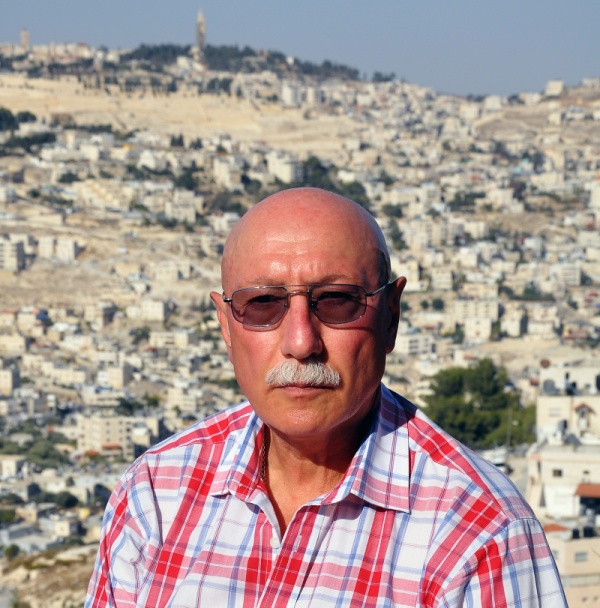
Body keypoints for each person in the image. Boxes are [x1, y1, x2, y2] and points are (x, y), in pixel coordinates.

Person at [86, 187, 566, 607]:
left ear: (391, 316)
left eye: (337, 301)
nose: (301, 342)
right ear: (226, 327)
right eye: (263, 304)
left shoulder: (478, 532)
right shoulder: (157, 493)